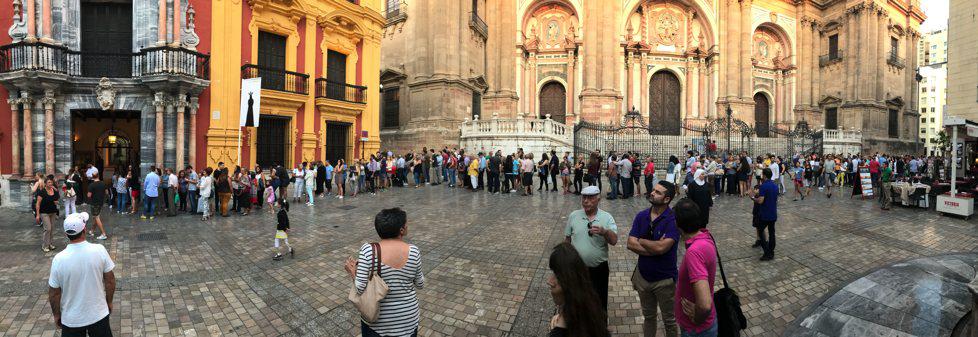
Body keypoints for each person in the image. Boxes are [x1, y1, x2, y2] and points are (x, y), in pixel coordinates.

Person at [344, 208, 424, 337]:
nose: (407, 225)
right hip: (408, 320)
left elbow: (360, 288)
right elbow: (420, 284)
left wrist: (353, 272)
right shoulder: (414, 251)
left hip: (378, 323)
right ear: (401, 230)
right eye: (406, 223)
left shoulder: (368, 250)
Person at [47, 212, 116, 337]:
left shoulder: (59, 259)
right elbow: (110, 280)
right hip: (98, 314)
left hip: (72, 319)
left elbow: (54, 293)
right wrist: (109, 301)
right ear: (84, 229)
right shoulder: (99, 250)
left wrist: (57, 314)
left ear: (66, 234)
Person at [627, 181, 680, 337]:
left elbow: (661, 248)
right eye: (653, 190)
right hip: (643, 277)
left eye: (658, 192)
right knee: (648, 317)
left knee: (669, 320)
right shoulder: (641, 216)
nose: (652, 193)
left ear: (666, 199)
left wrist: (641, 240)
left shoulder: (673, 220)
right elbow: (630, 244)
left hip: (665, 280)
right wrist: (655, 248)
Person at [563, 185, 618, 311]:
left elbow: (614, 241)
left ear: (598, 199)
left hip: (599, 269)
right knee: (577, 300)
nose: (586, 201)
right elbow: (567, 240)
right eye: (584, 198)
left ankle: (600, 322)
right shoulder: (574, 215)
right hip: (577, 268)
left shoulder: (607, 217)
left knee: (599, 300)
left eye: (590, 198)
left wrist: (605, 232)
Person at [672, 199, 718, 337]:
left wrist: (697, 319)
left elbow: (704, 305)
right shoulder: (705, 236)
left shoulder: (694, 252)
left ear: (678, 225)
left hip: (696, 330)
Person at [547, 242, 610, 337]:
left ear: (568, 283)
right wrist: (561, 316)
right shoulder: (592, 305)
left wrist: (558, 329)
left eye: (556, 275)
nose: (549, 281)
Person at [752, 168, 778, 261]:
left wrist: (753, 198)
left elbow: (760, 201)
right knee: (772, 233)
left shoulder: (763, 186)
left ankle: (767, 252)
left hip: (765, 214)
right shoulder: (775, 186)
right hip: (773, 213)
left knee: (760, 231)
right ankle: (771, 251)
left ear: (765, 176)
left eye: (762, 174)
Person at [36, 177, 61, 252]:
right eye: (49, 182)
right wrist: (37, 215)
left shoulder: (54, 190)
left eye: (51, 182)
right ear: (45, 184)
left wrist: (56, 201)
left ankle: (50, 244)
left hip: (53, 212)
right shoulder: (42, 192)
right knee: (48, 229)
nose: (50, 184)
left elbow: (57, 198)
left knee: (52, 229)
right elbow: (38, 203)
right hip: (44, 212)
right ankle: (45, 245)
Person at [86, 174, 109, 240]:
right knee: (96, 217)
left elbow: (89, 195)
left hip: (94, 203)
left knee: (96, 217)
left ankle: (103, 234)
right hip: (100, 202)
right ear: (98, 176)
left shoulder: (91, 185)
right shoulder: (103, 183)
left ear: (92, 177)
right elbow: (107, 192)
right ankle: (92, 231)